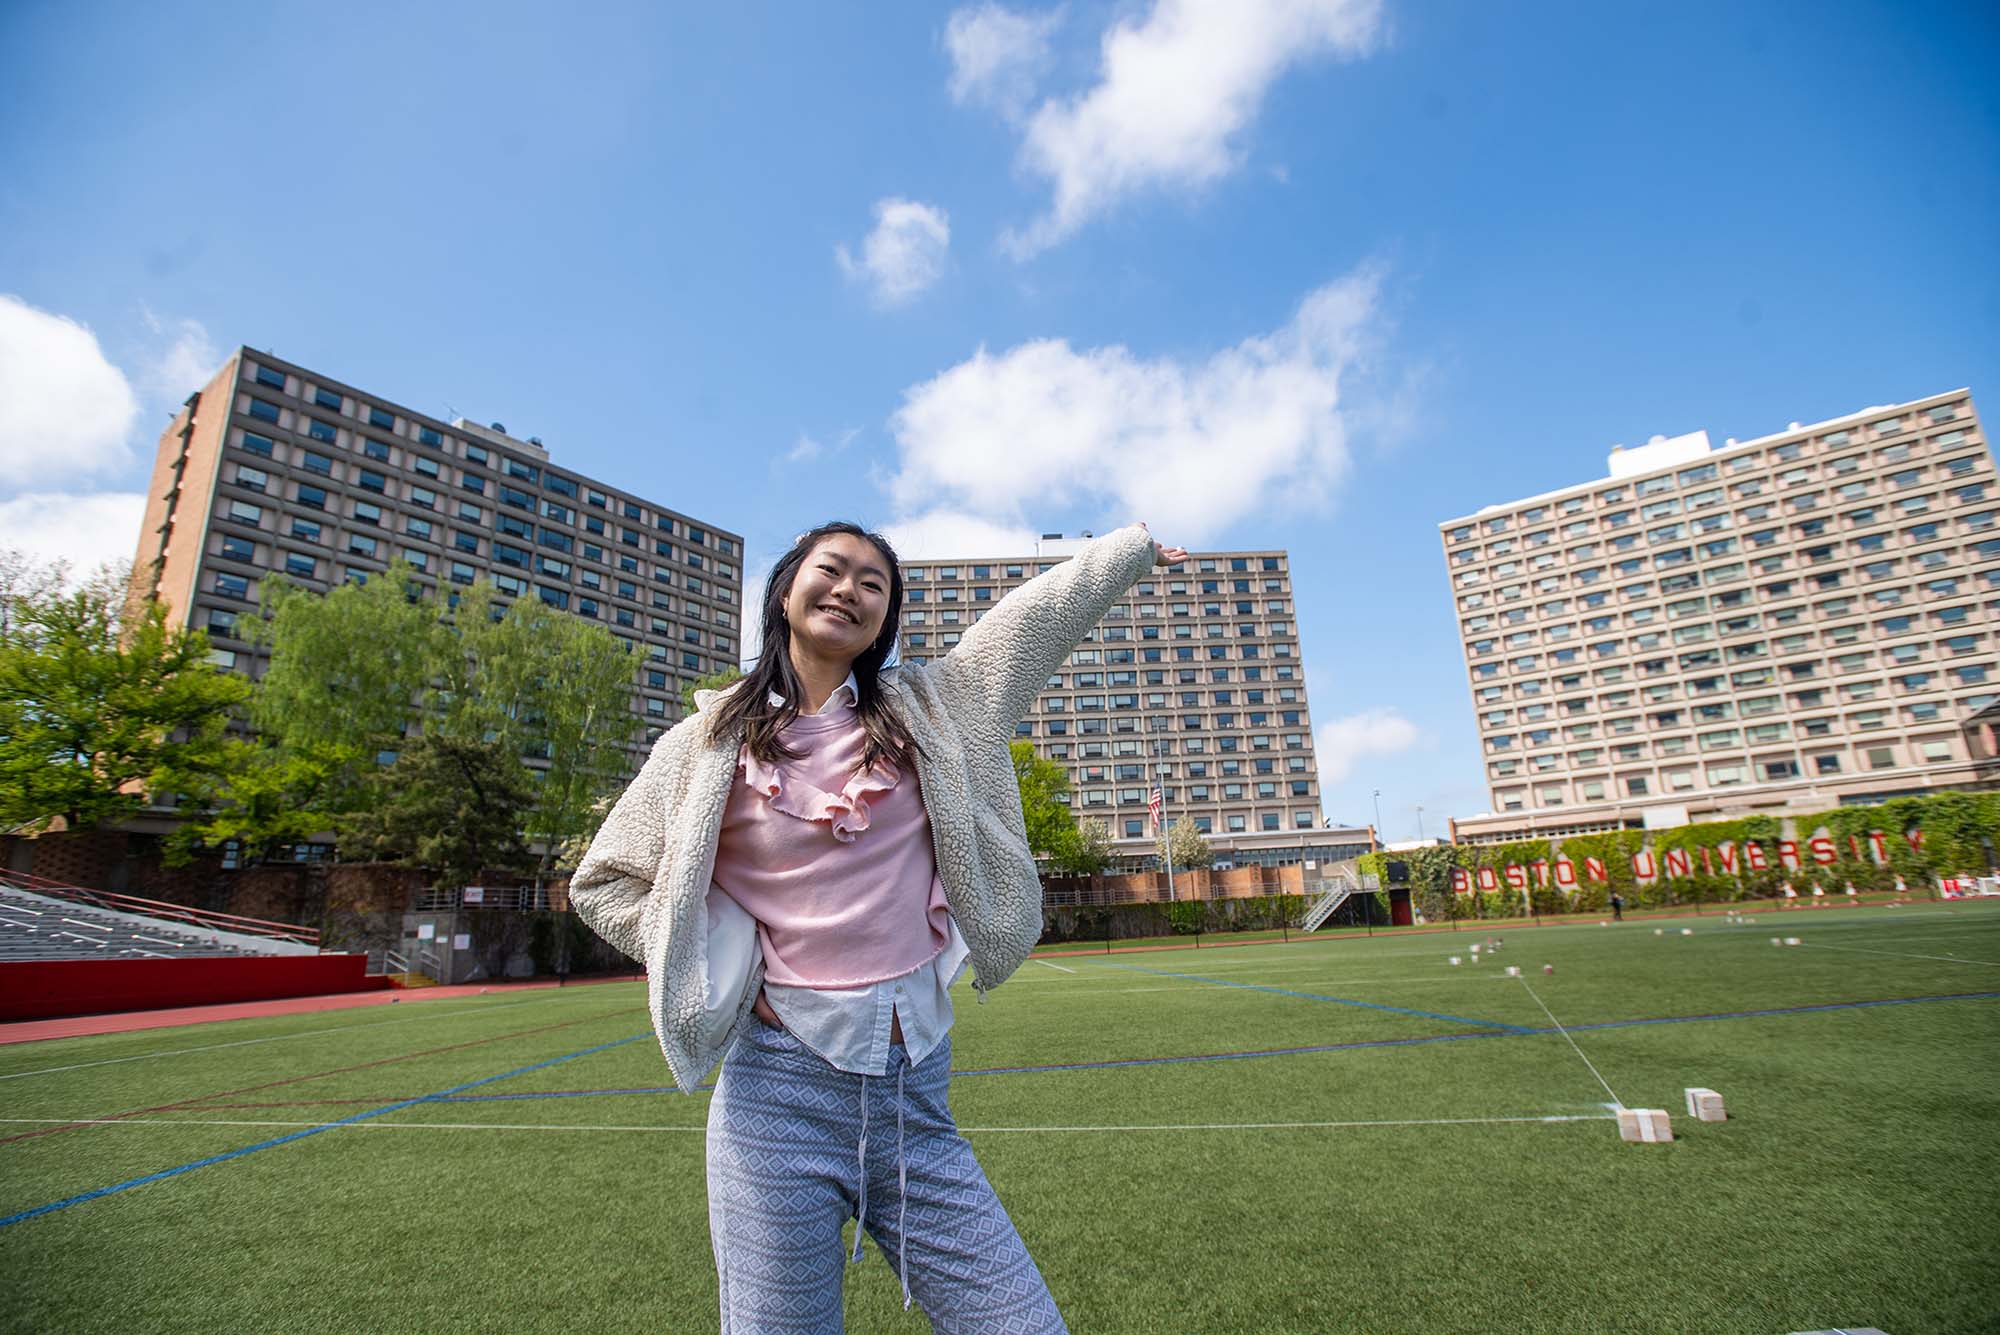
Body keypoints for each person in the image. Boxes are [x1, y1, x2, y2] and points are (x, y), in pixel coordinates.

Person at [571, 520, 1183, 1334]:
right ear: (786, 589)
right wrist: (722, 958)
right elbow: (603, 881)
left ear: (885, 616)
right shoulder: (704, 743)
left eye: (873, 583)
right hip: (774, 1104)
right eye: (831, 570)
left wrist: (1128, 550)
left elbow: (1028, 621)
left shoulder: (932, 707)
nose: (849, 590)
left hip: (914, 1096)